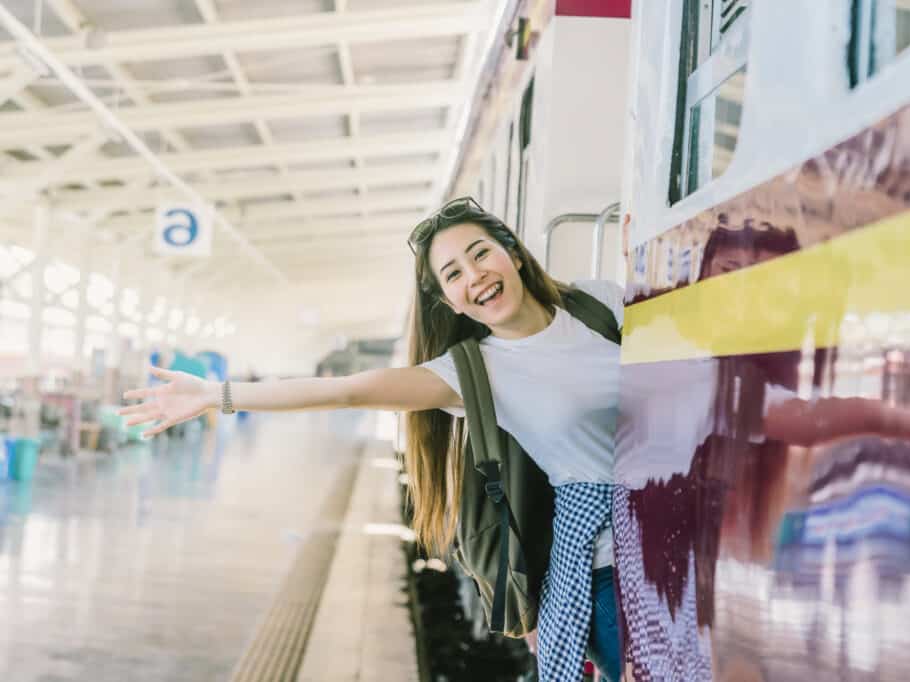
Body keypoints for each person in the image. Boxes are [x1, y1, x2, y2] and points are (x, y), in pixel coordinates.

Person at [118, 197, 625, 682]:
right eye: (454, 275)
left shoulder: (600, 304)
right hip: (602, 566)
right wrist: (216, 394)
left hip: (676, 514)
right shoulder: (473, 372)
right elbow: (348, 391)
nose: (476, 277)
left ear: (511, 251)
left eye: (480, 254)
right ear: (450, 302)